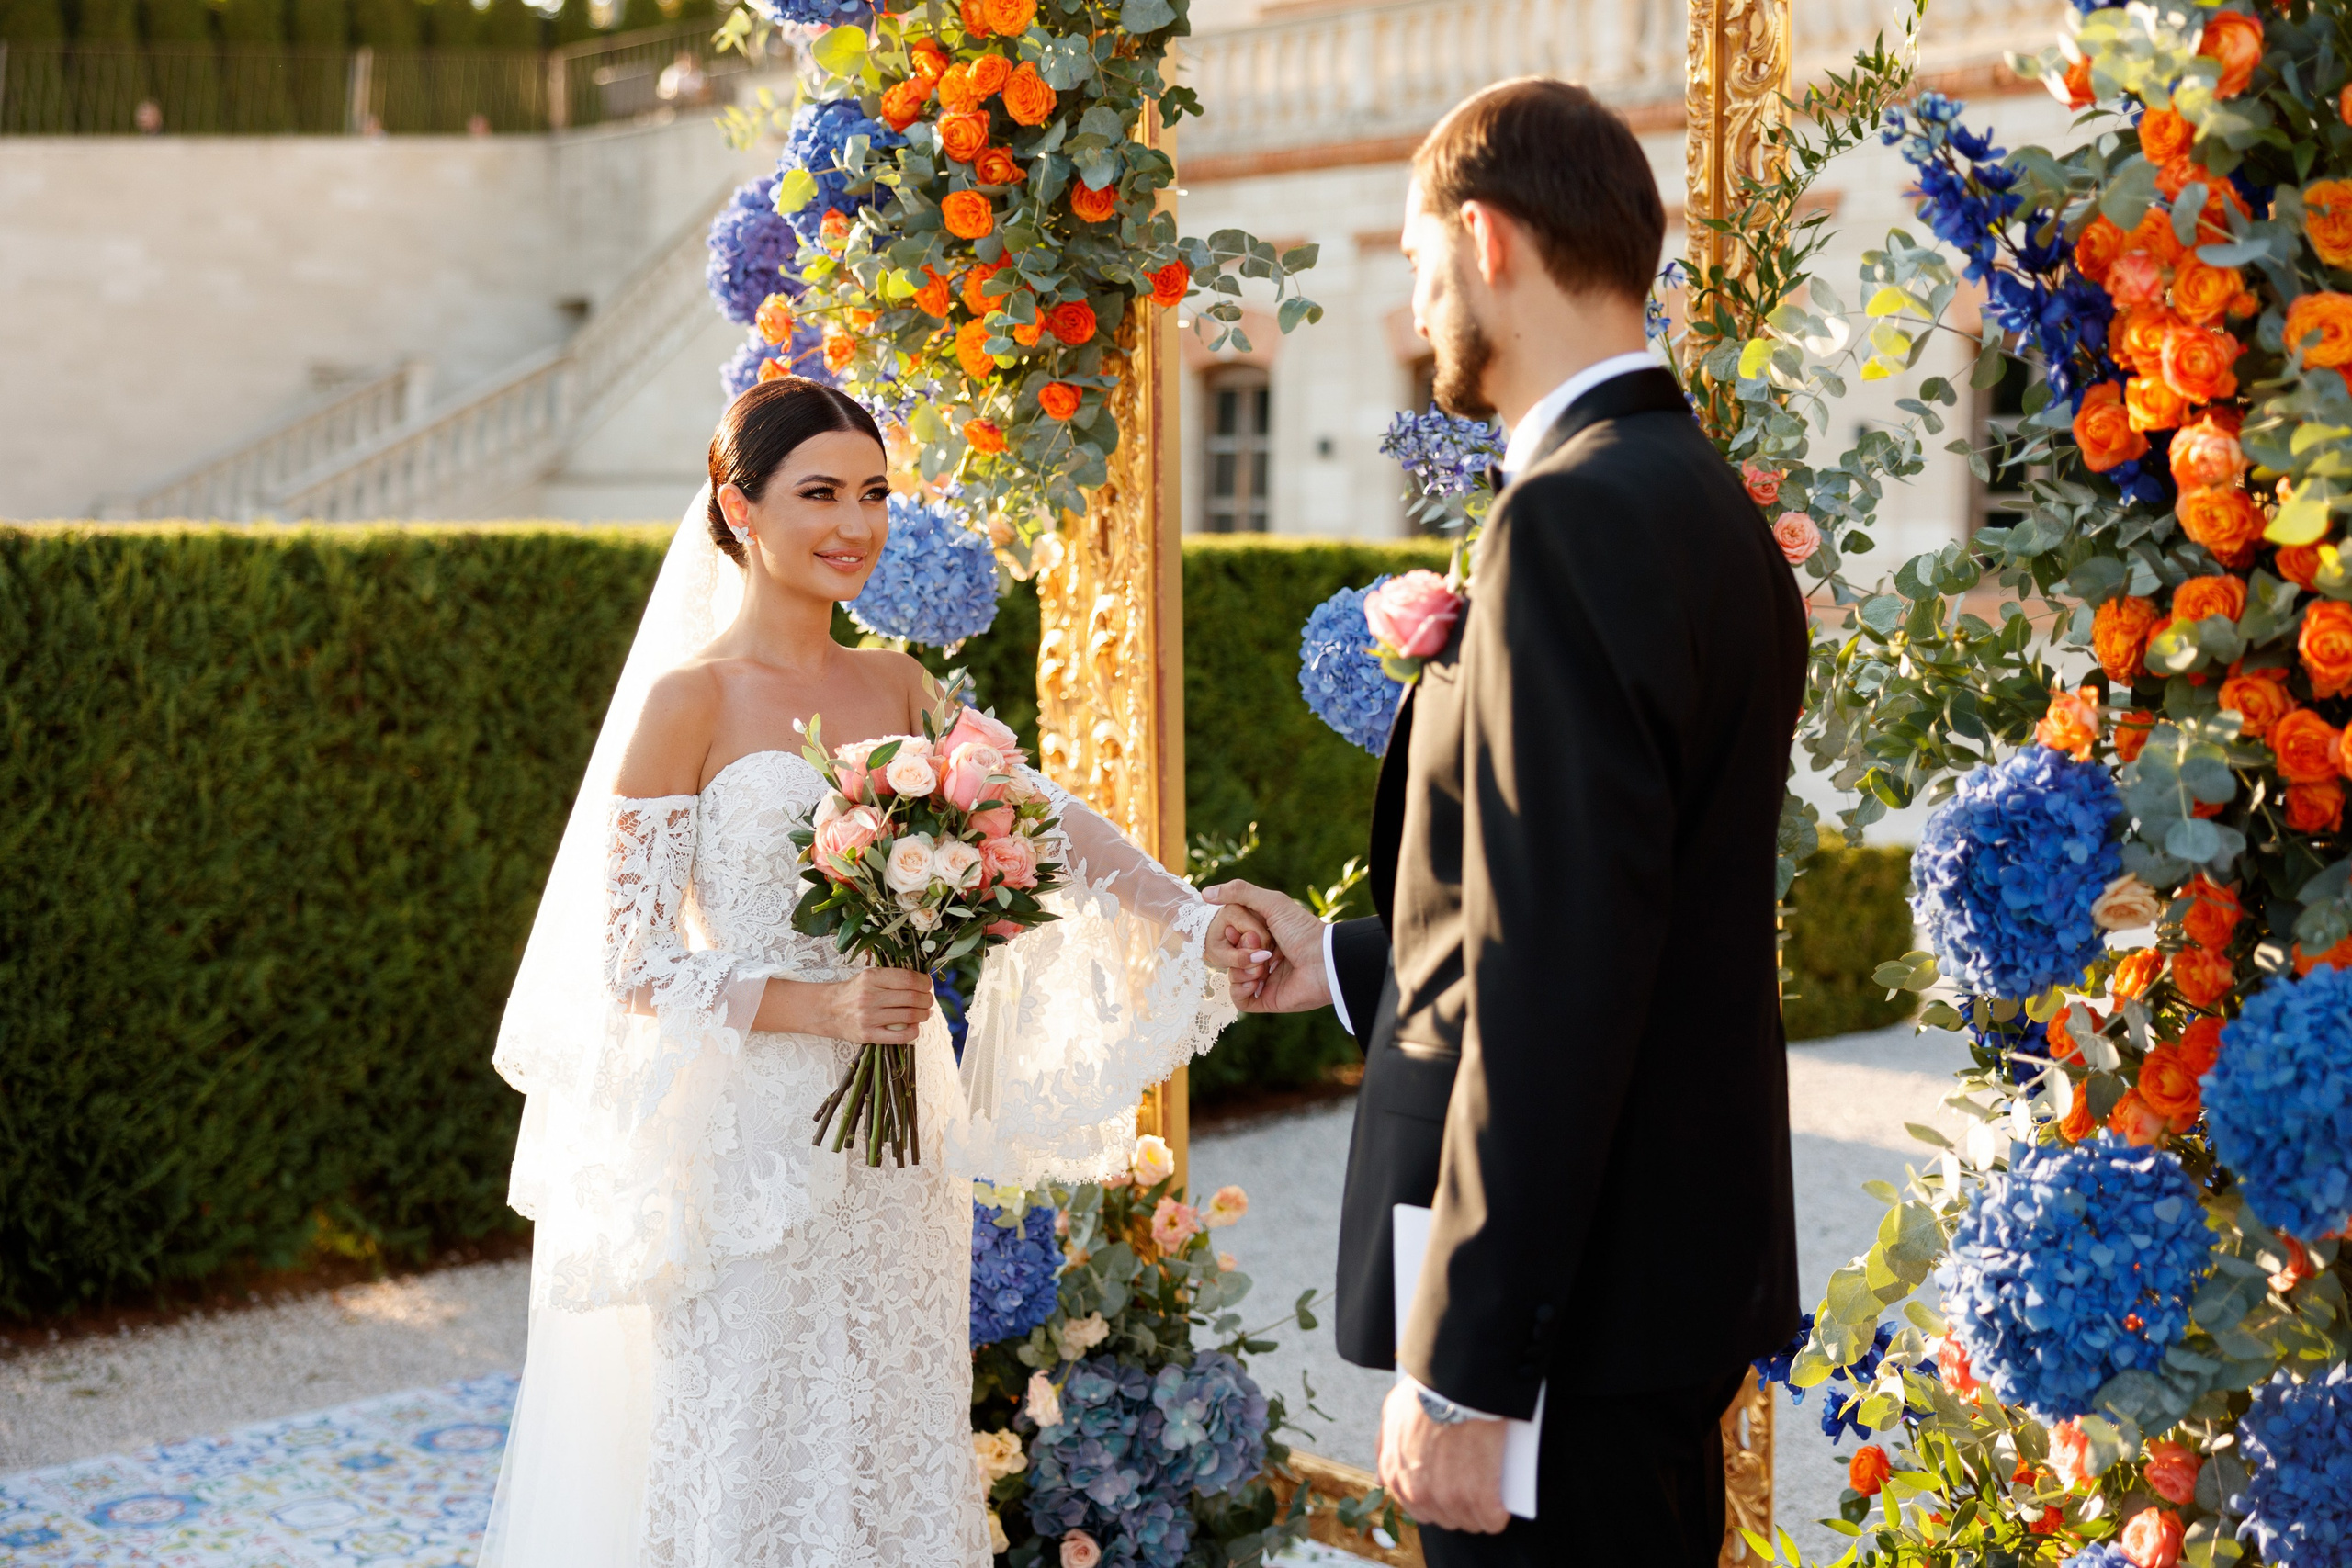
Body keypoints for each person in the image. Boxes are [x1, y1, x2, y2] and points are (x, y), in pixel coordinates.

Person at [480, 376, 1269, 1568]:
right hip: (752, 1144)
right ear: (738, 508)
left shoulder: (899, 683)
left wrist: (1189, 916)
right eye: (820, 493)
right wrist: (824, 1004)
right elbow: (633, 962)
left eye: (874, 493)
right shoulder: (689, 701)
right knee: (753, 1440)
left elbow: (1042, 819)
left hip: (902, 1140)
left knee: (897, 1430)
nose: (855, 523)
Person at [1204, 77, 1805, 1567]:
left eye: (1420, 261)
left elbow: (1559, 971)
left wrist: (1469, 1371)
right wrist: (1341, 962)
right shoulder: (1702, 504)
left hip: (1560, 1332)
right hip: (1650, 1290)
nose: (1421, 304)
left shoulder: (1569, 515)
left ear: (1485, 239)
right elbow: (1615, 903)